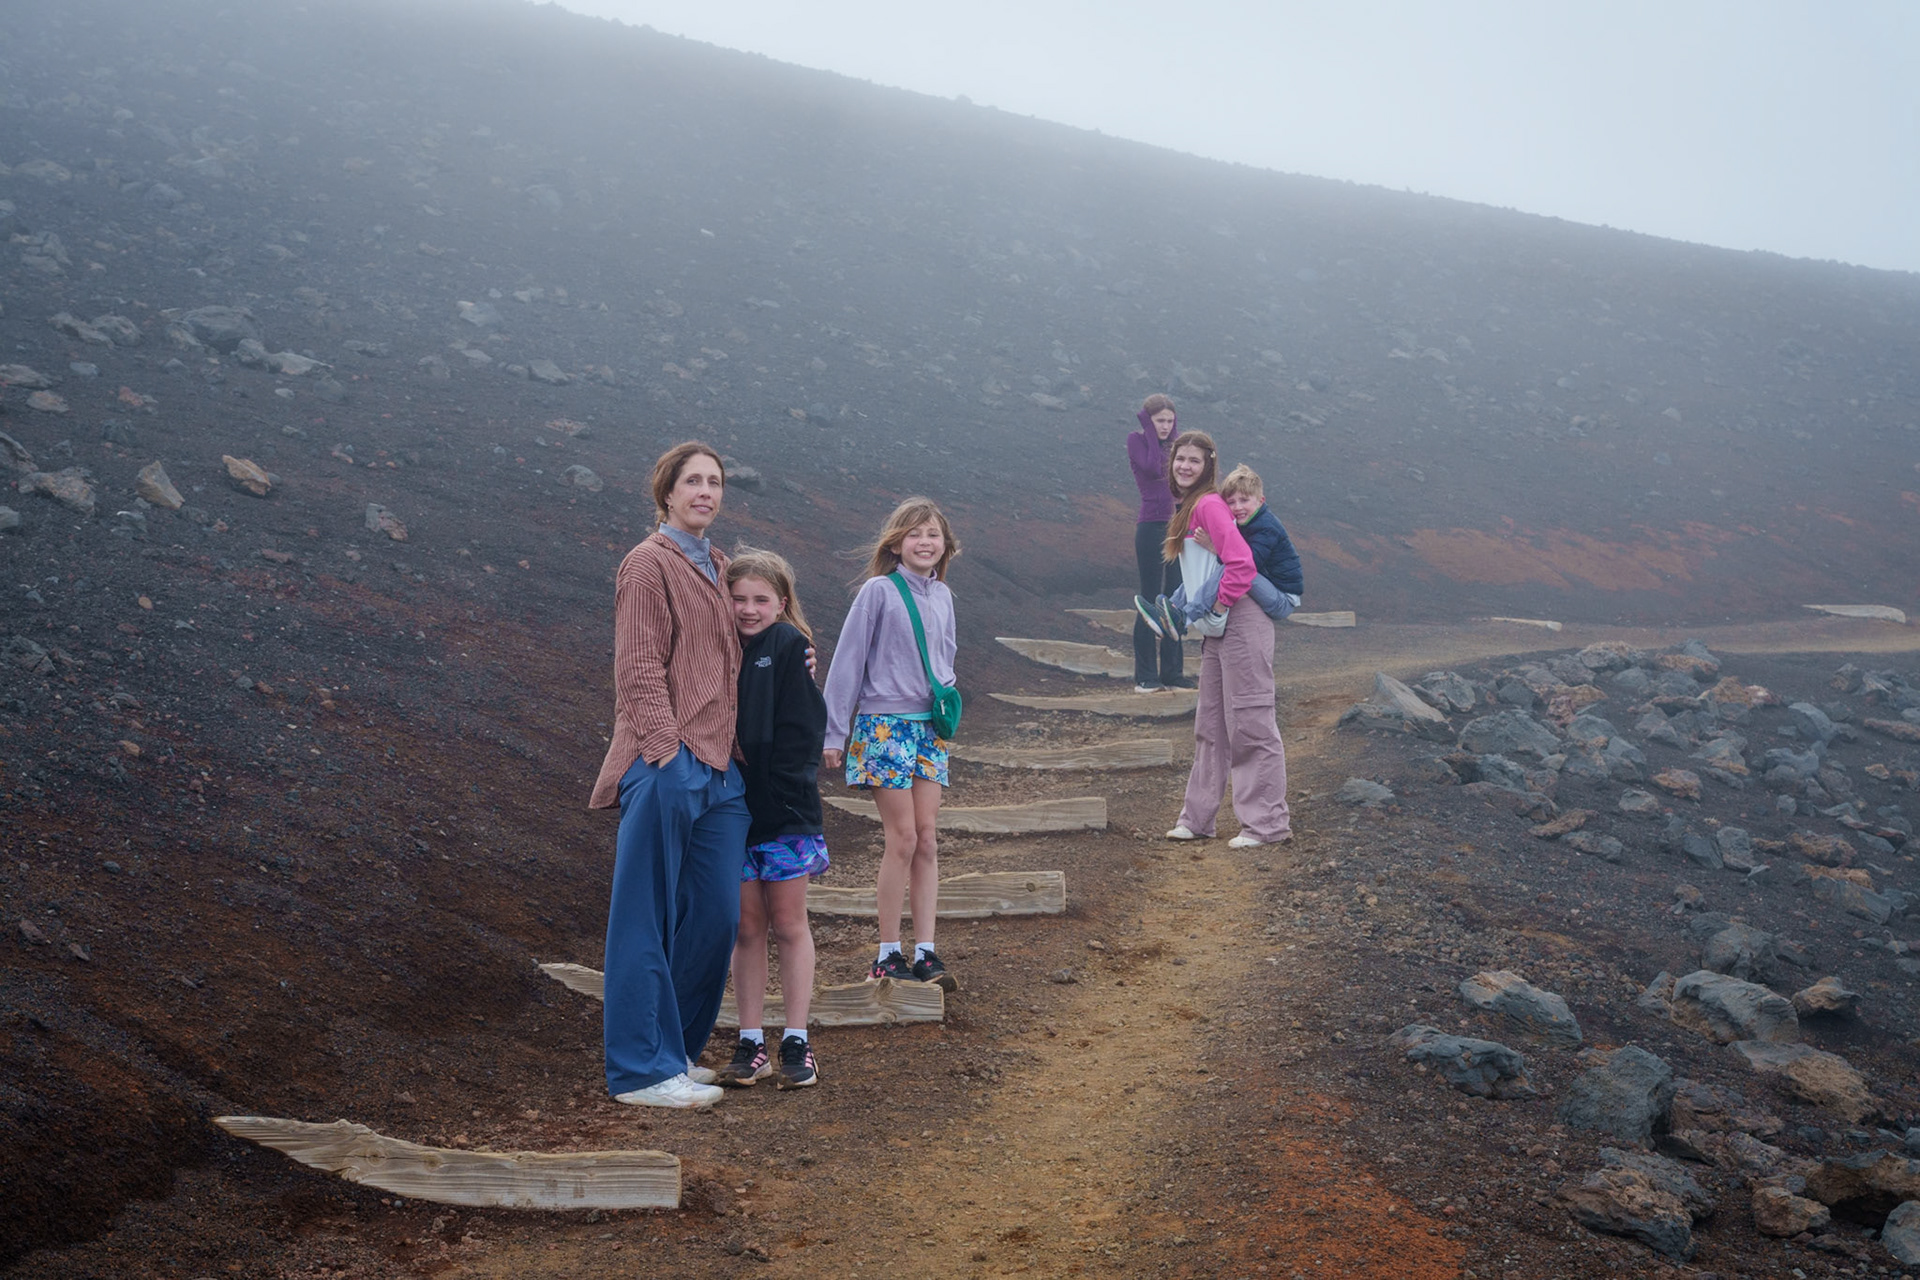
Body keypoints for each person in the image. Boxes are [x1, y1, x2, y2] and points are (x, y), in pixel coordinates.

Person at [589, 441, 748, 1110]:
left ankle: (675, 1052)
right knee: (643, 918)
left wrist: (799, 657)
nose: (705, 491)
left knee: (715, 915)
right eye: (693, 482)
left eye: (714, 482)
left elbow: (748, 641)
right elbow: (639, 666)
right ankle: (639, 1071)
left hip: (722, 771)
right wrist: (665, 752)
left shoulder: (718, 563)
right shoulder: (646, 564)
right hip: (669, 764)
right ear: (667, 493)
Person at [821, 498, 961, 991]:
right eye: (916, 533)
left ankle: (925, 950)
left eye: (934, 534)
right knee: (901, 838)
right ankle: (886, 954)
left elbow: (944, 658)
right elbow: (848, 660)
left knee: (927, 838)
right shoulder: (879, 591)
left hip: (928, 730)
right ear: (897, 543)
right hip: (883, 728)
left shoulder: (943, 595)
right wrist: (833, 732)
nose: (925, 542)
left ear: (945, 546)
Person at [717, 549, 828, 1091]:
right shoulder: (717, 646)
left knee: (787, 924)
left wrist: (785, 792)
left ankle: (797, 1040)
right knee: (746, 927)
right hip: (734, 812)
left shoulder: (788, 645)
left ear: (781, 603)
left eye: (760, 599)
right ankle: (751, 1039)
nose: (748, 609)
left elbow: (806, 730)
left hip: (783, 814)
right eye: (738, 598)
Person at [1157, 433, 1293, 849]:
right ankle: (1197, 820)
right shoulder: (1189, 508)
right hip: (1218, 624)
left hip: (1240, 617)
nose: (1185, 466)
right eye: (1180, 459)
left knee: (1250, 719)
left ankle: (1266, 825)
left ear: (1208, 465)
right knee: (1211, 724)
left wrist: (1217, 608)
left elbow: (1241, 562)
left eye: (1194, 460)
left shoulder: (1210, 504)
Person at [1142, 463, 1302, 637]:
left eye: (1244, 500)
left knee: (1230, 566)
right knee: (1205, 572)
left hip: (1282, 599)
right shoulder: (1245, 524)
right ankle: (1169, 611)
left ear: (1260, 500)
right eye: (1231, 502)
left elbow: (1248, 564)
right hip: (1266, 585)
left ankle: (1186, 617)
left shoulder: (1266, 528)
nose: (1237, 507)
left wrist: (1213, 547)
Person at [1126, 393, 1186, 692]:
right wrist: (1151, 432)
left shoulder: (1177, 446)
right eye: (1160, 421)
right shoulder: (1137, 440)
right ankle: (1145, 675)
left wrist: (1173, 440)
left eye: (1170, 421)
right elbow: (1152, 467)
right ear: (1147, 420)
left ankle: (1173, 673)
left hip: (1178, 525)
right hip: (1151, 525)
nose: (1165, 426)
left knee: (1175, 598)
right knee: (1149, 598)